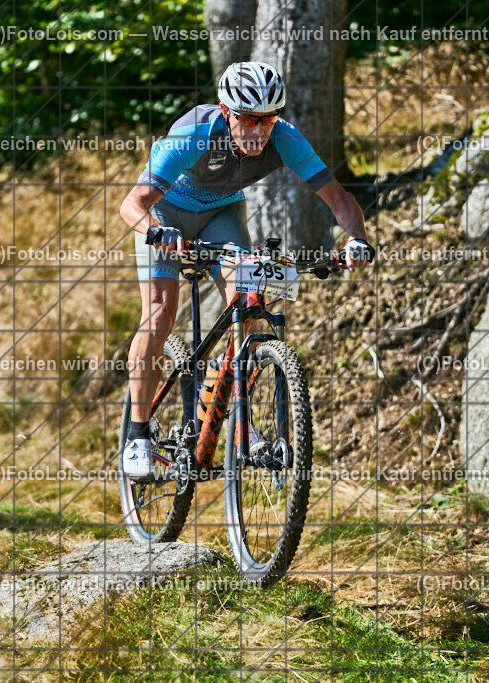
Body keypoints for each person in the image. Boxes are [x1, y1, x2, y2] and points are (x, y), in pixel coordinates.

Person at [118, 61, 375, 480]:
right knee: (160, 313)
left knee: (249, 301)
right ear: (225, 110)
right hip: (166, 214)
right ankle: (137, 435)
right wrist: (156, 231)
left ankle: (236, 417)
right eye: (248, 119)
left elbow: (338, 196)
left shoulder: (285, 138)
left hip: (221, 214)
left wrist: (357, 239)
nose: (258, 130)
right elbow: (132, 203)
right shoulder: (194, 133)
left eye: (268, 120)